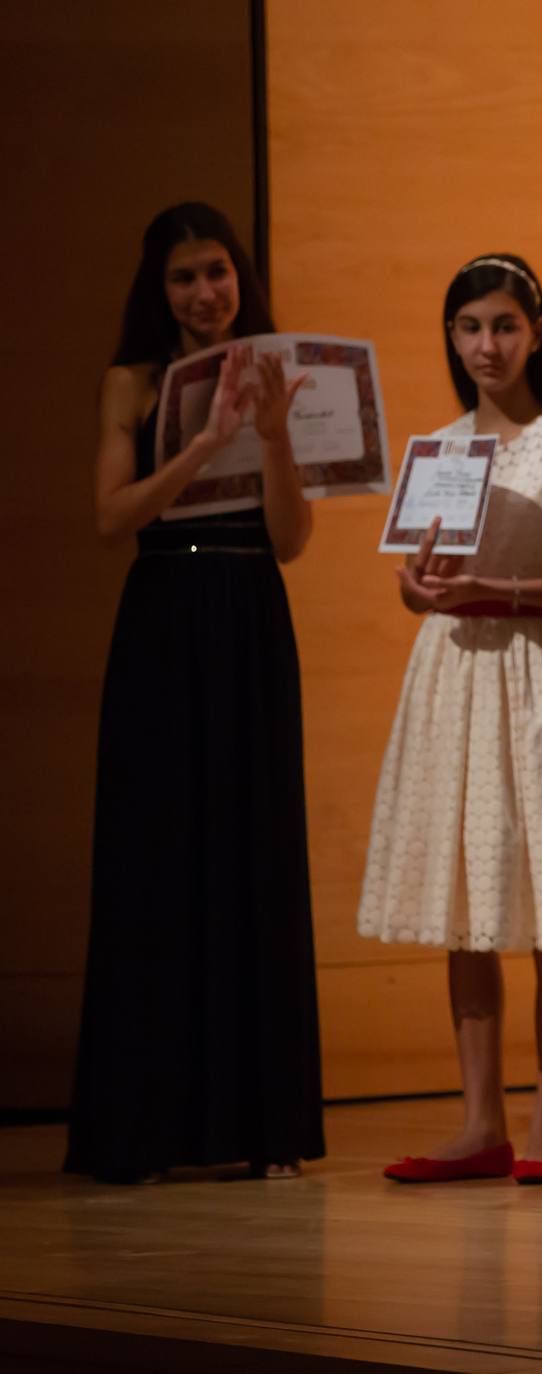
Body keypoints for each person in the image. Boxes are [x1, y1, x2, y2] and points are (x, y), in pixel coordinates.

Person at [69, 201, 324, 1184]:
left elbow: (293, 540)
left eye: (216, 272)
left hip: (251, 612)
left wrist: (266, 435)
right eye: (184, 278)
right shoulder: (130, 382)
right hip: (164, 615)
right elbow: (109, 515)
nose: (205, 293)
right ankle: (145, 1126)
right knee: (155, 853)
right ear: (159, 289)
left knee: (255, 849)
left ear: (238, 276)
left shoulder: (274, 368)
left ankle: (262, 1126)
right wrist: (204, 435)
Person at [363, 255, 542, 1185]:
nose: (487, 345)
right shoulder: (439, 447)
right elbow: (422, 588)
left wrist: (502, 586)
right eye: (470, 327)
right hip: (452, 673)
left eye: (504, 326)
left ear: (537, 332)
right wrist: (418, 590)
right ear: (451, 336)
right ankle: (480, 1119)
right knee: (465, 903)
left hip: (538, 666)